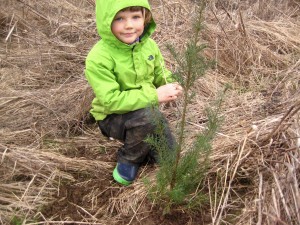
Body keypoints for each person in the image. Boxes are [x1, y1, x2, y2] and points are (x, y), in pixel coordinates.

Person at [85, 0, 183, 185]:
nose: (129, 25)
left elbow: (160, 73)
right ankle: (128, 159)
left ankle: (149, 150)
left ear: (145, 18)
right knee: (149, 116)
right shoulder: (98, 58)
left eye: (135, 17)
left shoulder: (149, 46)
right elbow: (111, 101)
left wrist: (171, 83)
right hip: (112, 117)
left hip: (145, 111)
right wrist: (155, 96)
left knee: (170, 157)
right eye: (119, 18)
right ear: (106, 22)